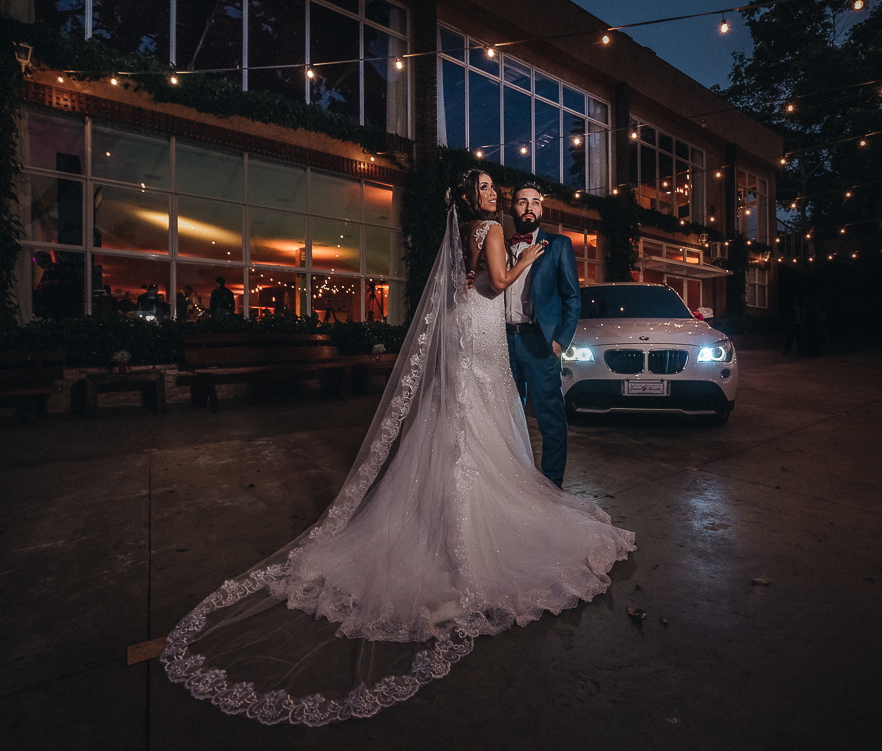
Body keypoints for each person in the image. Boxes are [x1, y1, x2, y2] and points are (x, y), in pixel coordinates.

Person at [162, 170, 635, 727]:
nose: (498, 195)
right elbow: (499, 281)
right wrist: (526, 259)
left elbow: (485, 288)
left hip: (485, 334)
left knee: (475, 417)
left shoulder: (468, 233)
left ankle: (496, 496)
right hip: (488, 337)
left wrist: (551, 328)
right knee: (482, 416)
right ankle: (490, 516)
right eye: (489, 189)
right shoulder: (492, 231)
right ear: (474, 198)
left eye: (503, 192)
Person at [504, 182, 581, 488]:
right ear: (512, 207)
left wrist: (560, 340)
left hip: (539, 341)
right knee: (507, 414)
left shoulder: (558, 245)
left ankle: (552, 486)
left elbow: (572, 297)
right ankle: (515, 483)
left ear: (541, 209)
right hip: (502, 341)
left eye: (535, 202)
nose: (529, 208)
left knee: (549, 415)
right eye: (522, 202)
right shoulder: (501, 246)